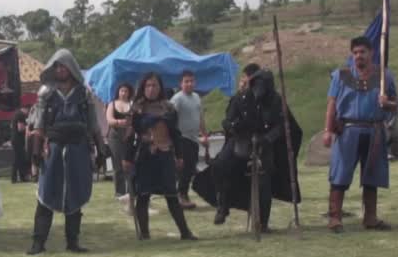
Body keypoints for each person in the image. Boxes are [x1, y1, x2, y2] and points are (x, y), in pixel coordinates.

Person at [28, 50, 106, 255]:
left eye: (63, 66)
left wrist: (101, 149)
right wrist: (36, 152)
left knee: (75, 194)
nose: (60, 70)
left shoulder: (84, 93)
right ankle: (38, 242)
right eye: (57, 66)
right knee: (45, 194)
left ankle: (73, 242)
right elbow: (39, 125)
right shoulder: (46, 93)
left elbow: (93, 124)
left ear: (71, 67)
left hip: (77, 149)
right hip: (53, 149)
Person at [323, 36, 397, 233]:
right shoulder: (341, 75)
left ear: (371, 53)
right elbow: (331, 105)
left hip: (374, 131)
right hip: (347, 130)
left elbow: (396, 104)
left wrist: (387, 103)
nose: (358, 56)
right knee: (340, 175)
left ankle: (370, 218)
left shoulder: (385, 77)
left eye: (362, 52)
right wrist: (328, 130)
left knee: (372, 176)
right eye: (355, 53)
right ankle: (335, 218)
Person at [207, 66, 294, 232]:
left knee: (264, 180)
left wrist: (267, 139)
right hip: (240, 140)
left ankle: (263, 222)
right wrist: (233, 126)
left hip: (264, 142)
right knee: (219, 165)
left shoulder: (276, 101)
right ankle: (223, 204)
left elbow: (281, 126)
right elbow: (226, 121)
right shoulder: (240, 98)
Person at [124, 73, 196, 241]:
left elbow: (176, 134)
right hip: (145, 155)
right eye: (148, 85)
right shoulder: (137, 109)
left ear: (160, 87)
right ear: (143, 87)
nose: (151, 89)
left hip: (165, 155)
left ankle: (185, 232)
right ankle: (144, 233)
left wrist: (179, 155)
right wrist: (127, 158)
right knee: (143, 195)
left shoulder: (168, 108)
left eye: (154, 85)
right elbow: (129, 136)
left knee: (171, 195)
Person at [169, 71, 209, 209]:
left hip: (194, 138)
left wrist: (204, 135)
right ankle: (181, 196)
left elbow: (201, 118)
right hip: (181, 138)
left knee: (191, 167)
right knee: (185, 168)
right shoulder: (177, 99)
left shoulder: (197, 97)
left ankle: (182, 194)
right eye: (186, 81)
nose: (189, 83)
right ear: (181, 83)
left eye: (192, 81)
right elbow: (171, 120)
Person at [105, 83, 134, 199]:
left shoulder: (132, 105)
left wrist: (129, 129)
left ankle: (130, 191)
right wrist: (119, 122)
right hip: (115, 136)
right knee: (117, 165)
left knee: (128, 164)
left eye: (126, 91)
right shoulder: (112, 104)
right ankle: (119, 192)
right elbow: (109, 120)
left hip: (129, 136)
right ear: (118, 92)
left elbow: (134, 120)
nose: (123, 93)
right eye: (122, 91)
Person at [11, 107, 30, 183]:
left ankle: (20, 177)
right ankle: (15, 178)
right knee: (18, 158)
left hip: (15, 139)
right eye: (28, 111)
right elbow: (20, 128)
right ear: (25, 109)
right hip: (18, 139)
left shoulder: (16, 114)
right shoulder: (20, 115)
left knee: (20, 158)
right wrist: (28, 127)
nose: (28, 114)